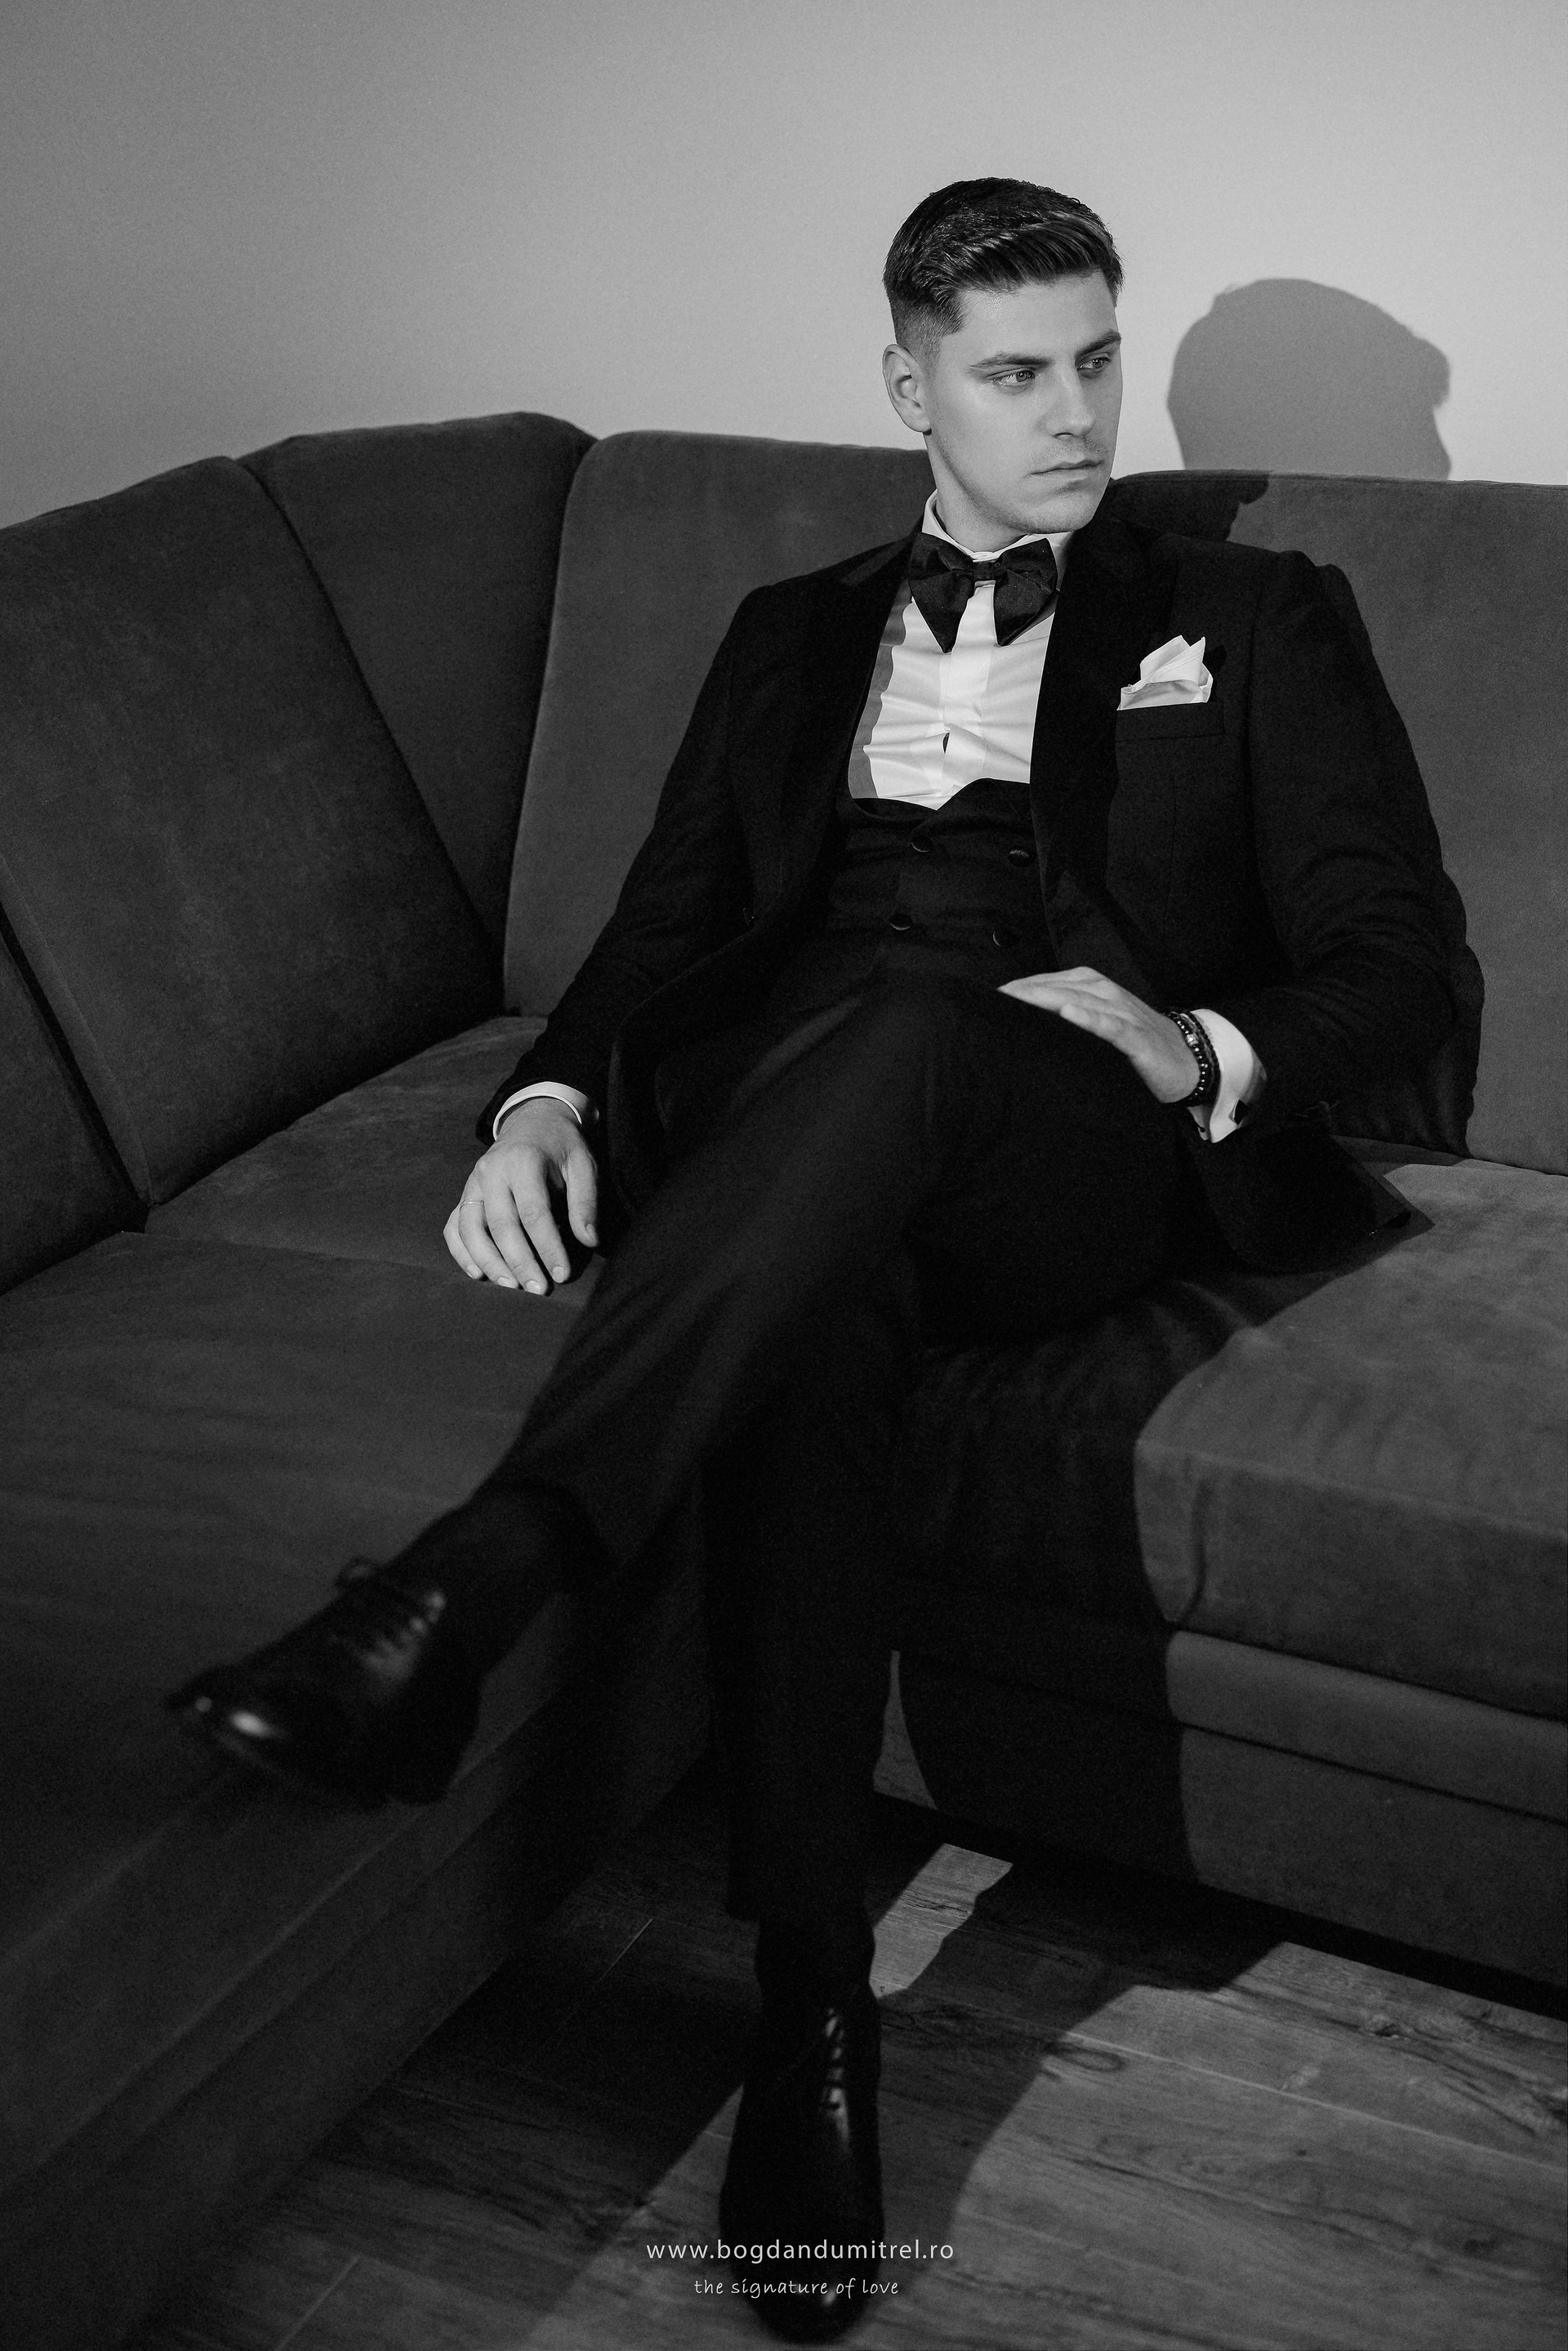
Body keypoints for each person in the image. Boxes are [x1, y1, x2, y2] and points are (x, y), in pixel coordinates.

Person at [167, 180, 1454, 2342]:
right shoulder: (789, 629)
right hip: (787, 1125)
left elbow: (1393, 961)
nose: (1075, 414)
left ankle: (478, 1574)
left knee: (919, 1042)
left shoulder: (1250, 611)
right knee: (820, 1282)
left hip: (1054, 1132)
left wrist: (1198, 1041)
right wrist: (544, 1100)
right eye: (1014, 372)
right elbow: (668, 927)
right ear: (908, 386)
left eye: (1096, 360)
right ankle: (809, 2010)